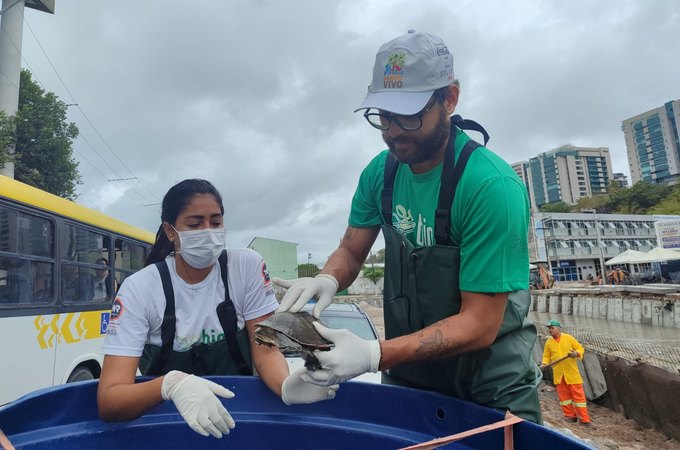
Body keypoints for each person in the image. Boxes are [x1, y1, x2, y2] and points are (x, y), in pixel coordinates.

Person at [273, 30, 542, 423]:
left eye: (408, 114)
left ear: (449, 99)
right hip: (412, 377)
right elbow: (351, 251)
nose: (393, 130)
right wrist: (327, 279)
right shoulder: (380, 174)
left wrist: (372, 355)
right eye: (383, 115)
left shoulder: (490, 187)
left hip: (489, 383)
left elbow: (479, 324)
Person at [97, 179, 337, 439]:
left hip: (239, 417)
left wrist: (286, 387)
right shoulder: (140, 289)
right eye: (195, 223)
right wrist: (171, 385)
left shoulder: (245, 267)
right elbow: (111, 399)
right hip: (167, 426)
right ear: (169, 230)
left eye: (215, 221)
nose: (208, 231)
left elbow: (266, 353)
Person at [540, 320, 591, 425]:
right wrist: (544, 364)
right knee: (564, 398)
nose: (550, 330)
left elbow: (580, 348)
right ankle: (570, 416)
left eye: (552, 328)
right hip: (559, 374)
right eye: (549, 328)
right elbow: (546, 356)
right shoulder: (549, 342)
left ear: (558, 328)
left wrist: (576, 353)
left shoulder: (568, 338)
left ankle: (584, 420)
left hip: (571, 374)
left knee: (579, 398)